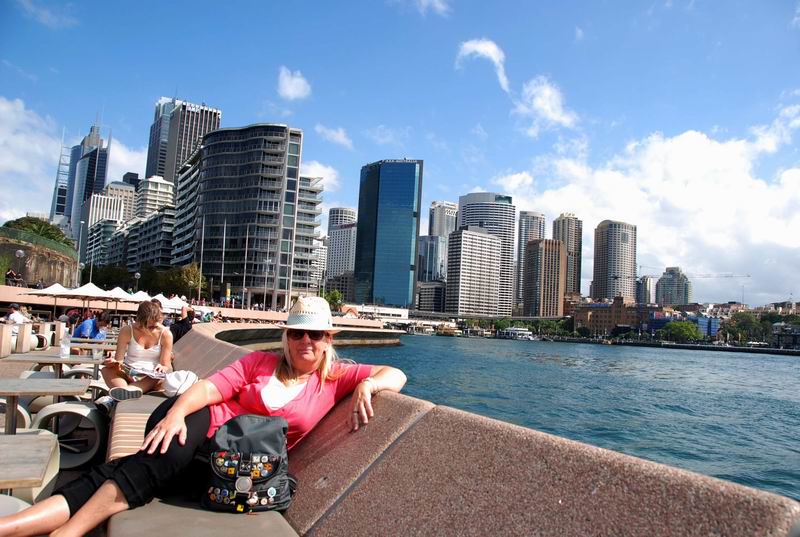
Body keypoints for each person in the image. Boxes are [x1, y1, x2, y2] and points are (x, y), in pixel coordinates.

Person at [0, 296, 406, 537]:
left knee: (116, 476)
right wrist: (176, 412)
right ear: (286, 336)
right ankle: (69, 534)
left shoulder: (335, 379)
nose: (305, 341)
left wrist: (369, 385)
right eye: (297, 333)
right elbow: (209, 390)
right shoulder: (259, 362)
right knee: (154, 466)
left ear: (328, 339)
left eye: (314, 334)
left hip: (228, 463)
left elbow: (396, 374)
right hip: (194, 421)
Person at [94, 301, 174, 414]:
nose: (153, 329)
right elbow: (119, 360)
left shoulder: (165, 334)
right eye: (149, 326)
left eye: (155, 325)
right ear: (140, 321)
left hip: (150, 376)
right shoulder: (127, 330)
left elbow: (166, 366)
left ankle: (115, 398)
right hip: (128, 371)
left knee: (156, 377)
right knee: (107, 370)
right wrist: (113, 363)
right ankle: (126, 393)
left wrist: (162, 367)